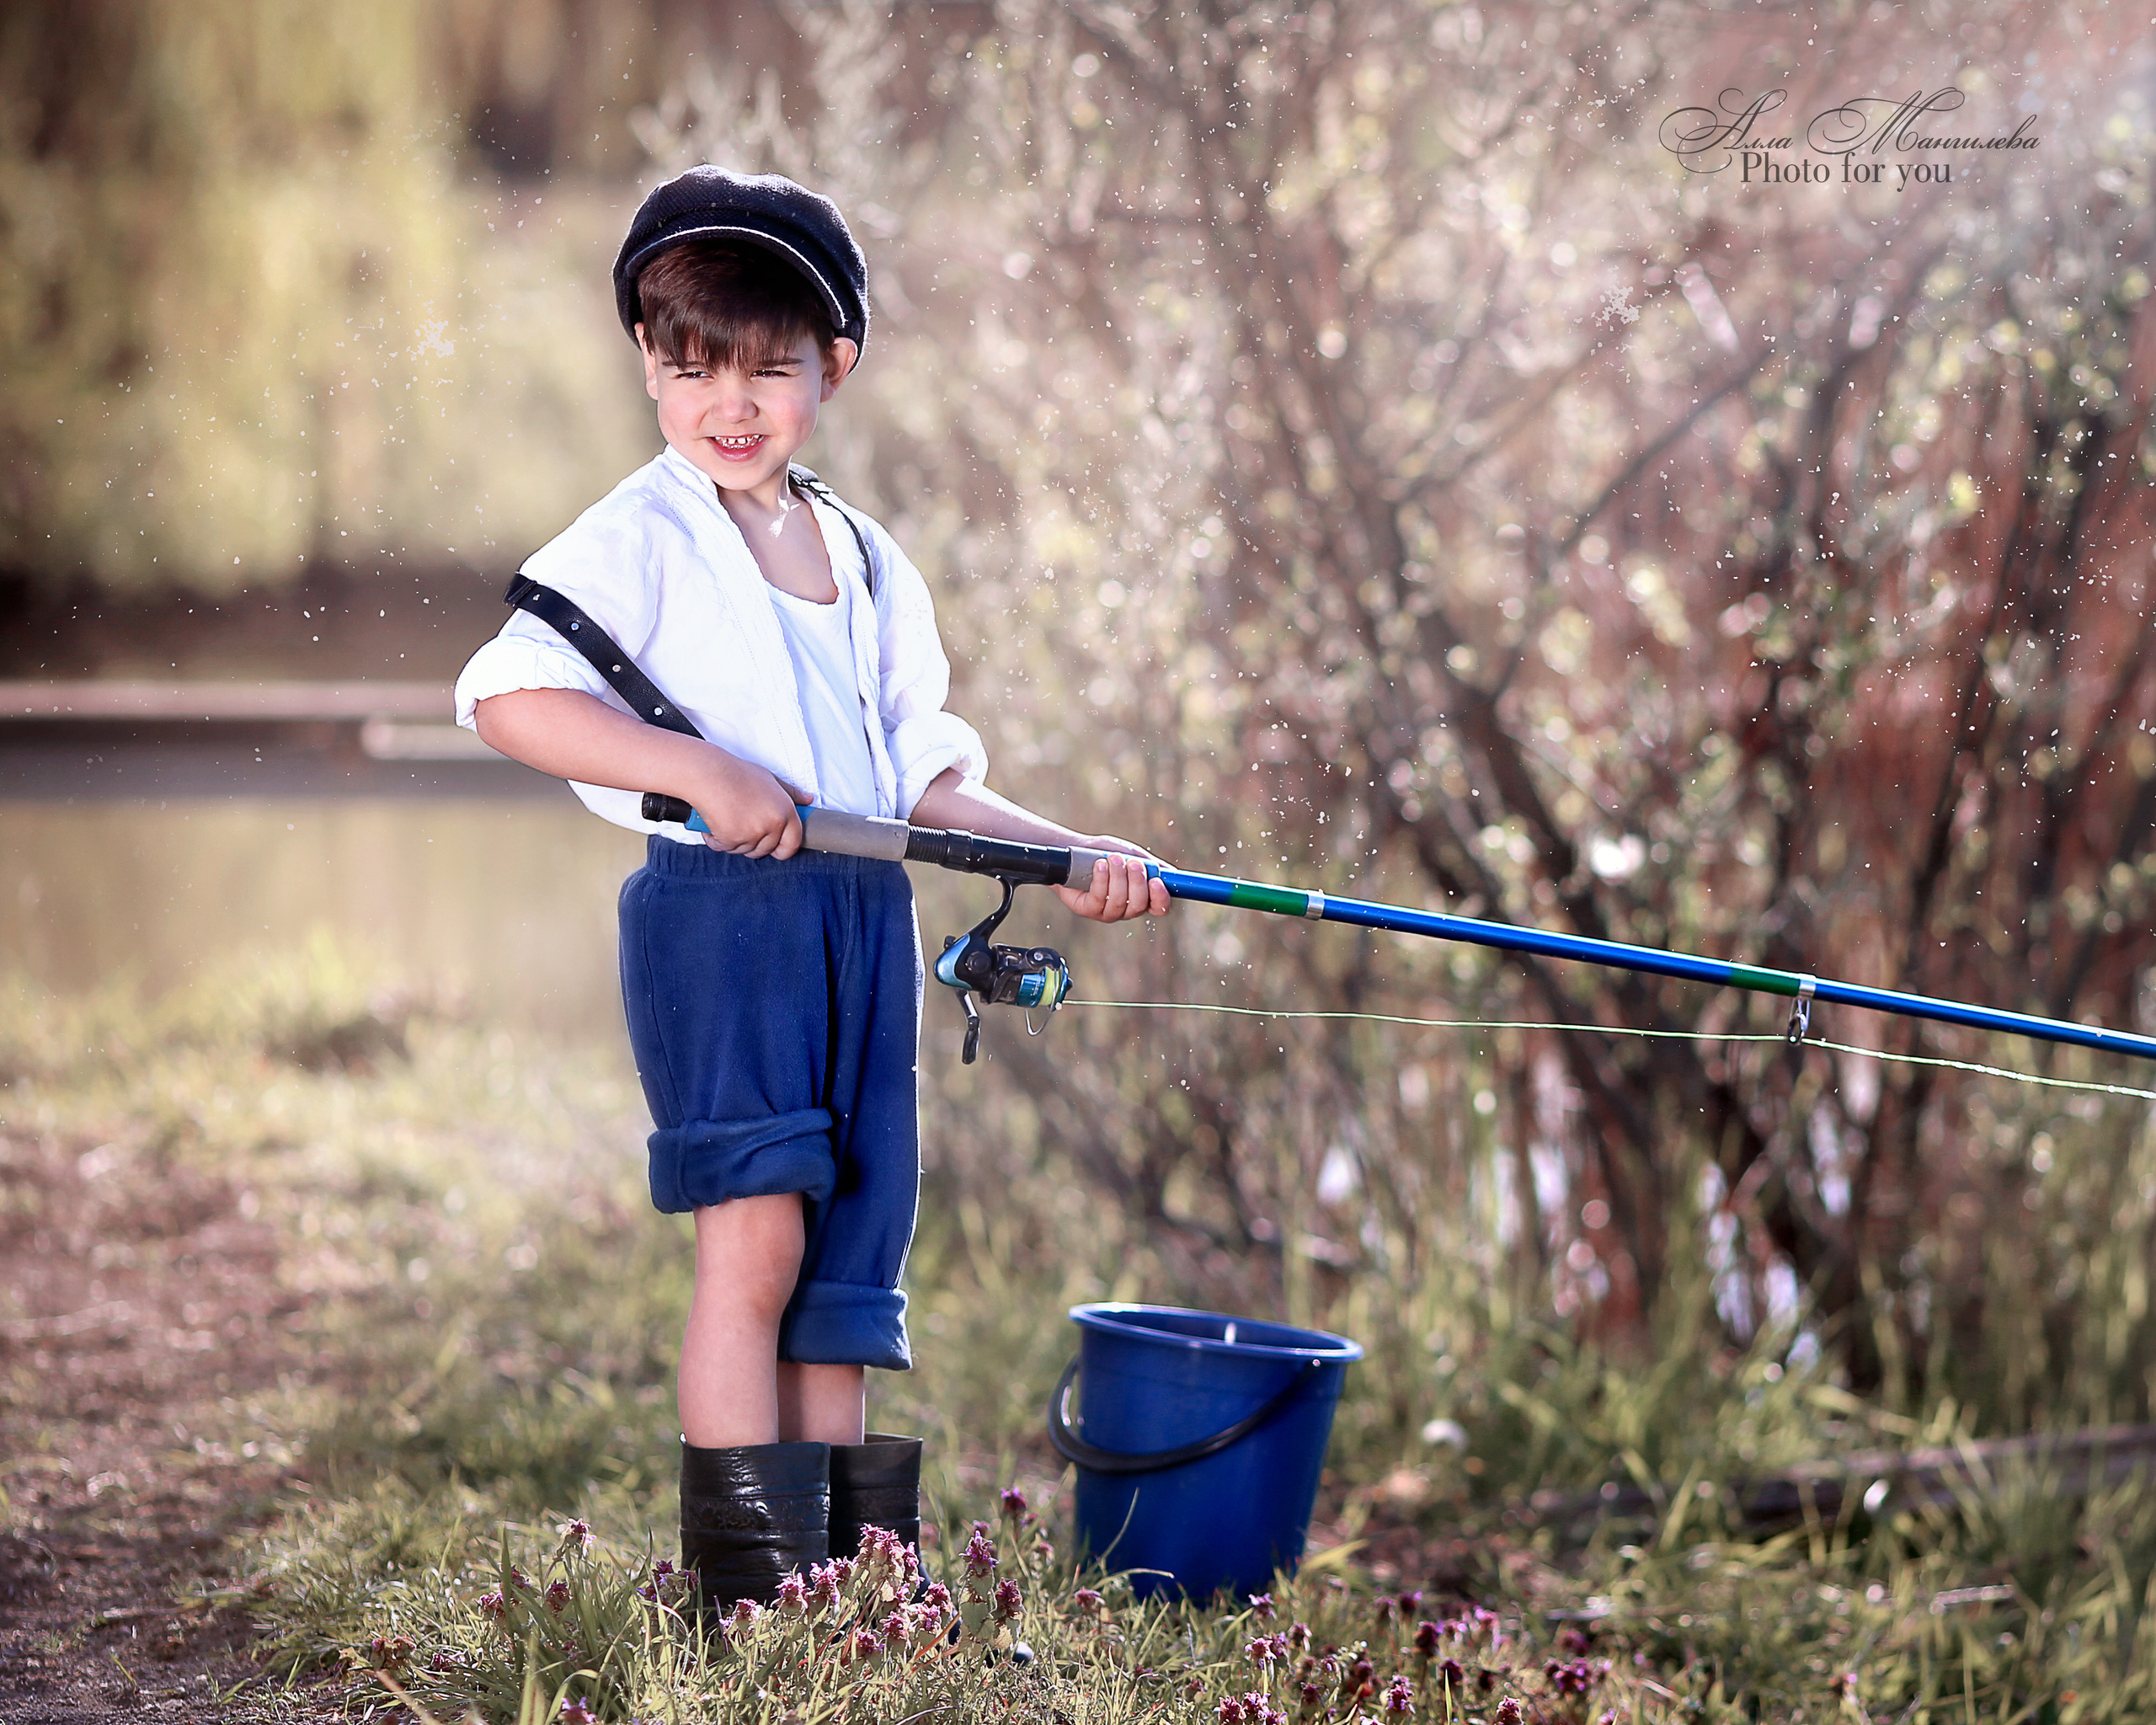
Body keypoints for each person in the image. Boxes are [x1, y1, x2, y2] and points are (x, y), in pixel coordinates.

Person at [453, 167, 1167, 1611]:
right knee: (759, 1236)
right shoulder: (638, 532)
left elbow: (927, 785)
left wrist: (1068, 854)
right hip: (720, 919)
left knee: (844, 1278)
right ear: (648, 367)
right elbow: (505, 694)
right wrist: (696, 770)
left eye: (771, 367)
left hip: (861, 925)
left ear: (833, 367)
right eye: (692, 365)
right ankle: (740, 1598)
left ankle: (836, 1605)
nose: (732, 399)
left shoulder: (868, 557)